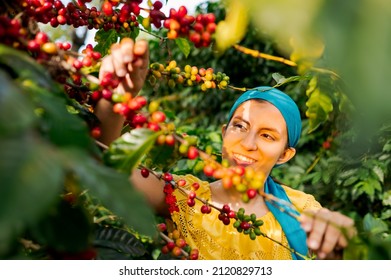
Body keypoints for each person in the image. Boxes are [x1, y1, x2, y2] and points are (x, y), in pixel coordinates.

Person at [95, 38, 355, 260]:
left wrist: (345, 245)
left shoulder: (302, 209)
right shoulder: (188, 197)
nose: (248, 143)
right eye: (240, 126)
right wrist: (115, 98)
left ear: (285, 154)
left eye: (267, 135)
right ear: (223, 132)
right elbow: (109, 172)